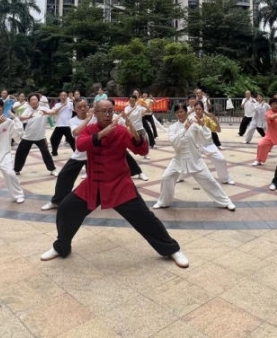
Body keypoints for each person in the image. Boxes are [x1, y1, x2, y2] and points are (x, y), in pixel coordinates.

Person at [40, 100, 188, 268]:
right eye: (103, 111)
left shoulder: (120, 131)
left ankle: (171, 249)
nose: (107, 114)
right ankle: (61, 247)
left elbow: (141, 150)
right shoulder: (89, 129)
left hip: (119, 185)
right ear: (95, 113)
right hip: (93, 184)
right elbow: (81, 145)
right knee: (66, 209)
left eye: (110, 110)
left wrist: (137, 136)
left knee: (145, 219)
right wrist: (101, 134)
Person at [154, 103, 236, 212]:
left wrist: (202, 126)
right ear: (175, 114)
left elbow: (206, 138)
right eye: (177, 112)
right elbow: (174, 143)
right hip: (178, 160)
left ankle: (226, 201)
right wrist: (184, 129)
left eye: (182, 112)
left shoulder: (194, 123)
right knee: (166, 177)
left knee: (209, 180)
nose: (180, 114)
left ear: (186, 112)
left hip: (195, 159)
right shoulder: (173, 127)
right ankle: (163, 202)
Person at [14, 93, 58, 177]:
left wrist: (47, 113)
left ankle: (52, 169)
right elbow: (20, 117)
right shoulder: (27, 109)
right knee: (20, 153)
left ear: (38, 100)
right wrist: (27, 117)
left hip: (40, 137)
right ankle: (16, 170)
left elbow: (53, 112)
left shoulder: (43, 109)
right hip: (27, 136)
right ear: (29, 102)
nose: (33, 101)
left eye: (35, 99)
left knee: (46, 153)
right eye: (31, 100)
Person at [252, 98, 277, 166]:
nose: (275, 105)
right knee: (261, 144)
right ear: (270, 105)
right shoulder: (268, 113)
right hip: (271, 136)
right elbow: (271, 117)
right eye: (273, 104)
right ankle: (258, 160)